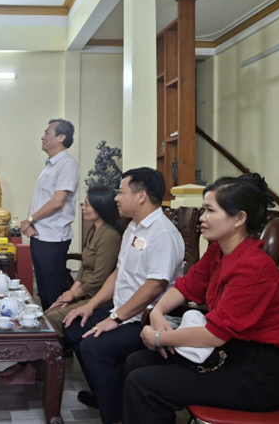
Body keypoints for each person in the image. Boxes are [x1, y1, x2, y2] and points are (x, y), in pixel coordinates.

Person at [123, 173, 279, 424]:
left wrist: (158, 337)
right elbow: (187, 286)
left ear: (239, 218)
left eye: (210, 210)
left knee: (143, 384)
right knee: (137, 361)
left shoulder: (253, 267)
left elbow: (215, 335)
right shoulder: (219, 249)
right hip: (228, 351)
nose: (202, 217)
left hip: (258, 373)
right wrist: (157, 311)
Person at [62, 167, 184, 424]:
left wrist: (115, 318)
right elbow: (118, 273)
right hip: (121, 312)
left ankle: (115, 415)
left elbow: (155, 286)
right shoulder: (133, 228)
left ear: (141, 196)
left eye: (121, 192)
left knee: (94, 347)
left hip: (144, 320)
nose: (116, 198)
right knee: (74, 326)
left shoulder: (162, 233)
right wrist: (91, 305)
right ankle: (107, 392)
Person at [0, 185, 123, 385]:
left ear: (100, 206)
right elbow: (84, 268)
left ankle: (32, 371)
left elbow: (100, 277)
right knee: (46, 313)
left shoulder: (110, 235)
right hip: (84, 292)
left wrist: (74, 295)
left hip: (99, 297)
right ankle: (26, 364)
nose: (83, 207)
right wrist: (70, 292)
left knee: (52, 318)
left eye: (87, 204)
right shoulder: (95, 230)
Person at [21, 118, 80, 311]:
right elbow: (39, 198)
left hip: (53, 237)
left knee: (54, 290)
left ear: (61, 137)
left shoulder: (67, 164)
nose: (42, 137)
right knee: (43, 289)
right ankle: (48, 325)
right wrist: (29, 223)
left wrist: (31, 219)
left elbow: (58, 201)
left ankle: (58, 327)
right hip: (39, 234)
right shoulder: (49, 165)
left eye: (47, 133)